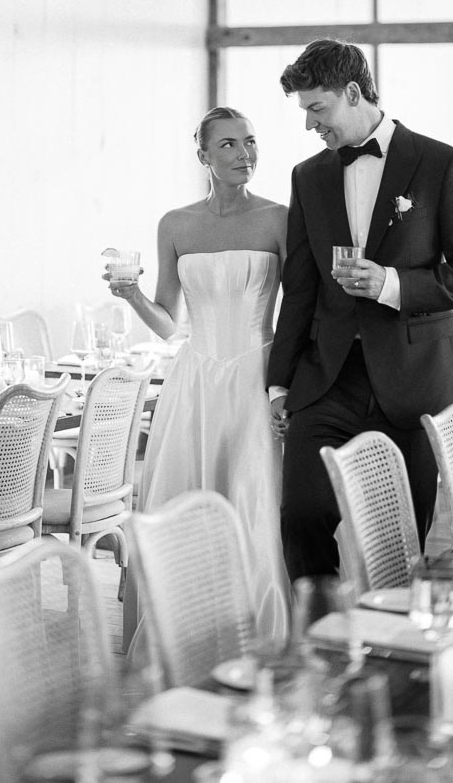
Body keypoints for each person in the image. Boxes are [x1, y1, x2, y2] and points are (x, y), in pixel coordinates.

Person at [266, 39, 453, 581]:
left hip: (415, 380)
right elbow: (299, 288)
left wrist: (392, 283)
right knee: (301, 515)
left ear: (353, 92)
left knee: (401, 543)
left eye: (317, 108)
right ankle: (319, 624)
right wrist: (279, 384)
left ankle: (388, 626)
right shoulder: (308, 176)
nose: (309, 124)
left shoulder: (441, 164)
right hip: (327, 379)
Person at [107, 106, 291, 646]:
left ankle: (259, 633)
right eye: (228, 144)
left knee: (254, 500)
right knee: (187, 503)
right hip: (195, 382)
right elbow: (169, 323)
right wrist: (131, 295)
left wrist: (288, 387)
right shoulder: (176, 224)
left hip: (257, 377)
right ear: (203, 155)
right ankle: (187, 635)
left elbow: (300, 310)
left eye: (250, 142)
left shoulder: (279, 218)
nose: (244, 154)